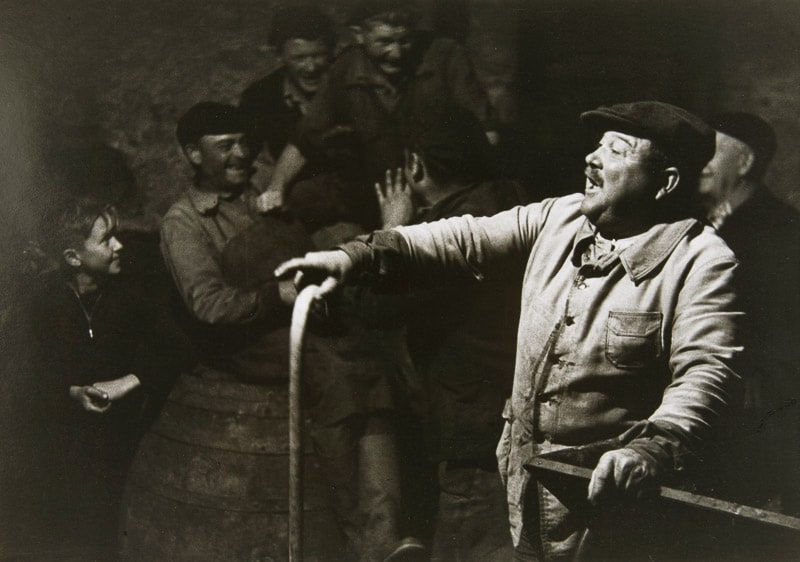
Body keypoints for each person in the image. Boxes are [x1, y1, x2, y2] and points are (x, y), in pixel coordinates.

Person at [275, 101, 744, 560]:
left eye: (617, 150)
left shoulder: (702, 260)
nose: (592, 158)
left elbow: (706, 372)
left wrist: (653, 447)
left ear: (665, 183)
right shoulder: (560, 219)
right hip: (523, 494)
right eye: (597, 146)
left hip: (611, 510)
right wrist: (354, 255)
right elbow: (462, 237)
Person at [160, 102, 420, 561]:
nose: (241, 154)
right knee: (334, 369)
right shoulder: (184, 222)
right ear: (193, 155)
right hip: (243, 340)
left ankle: (387, 529)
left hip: (300, 313)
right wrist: (273, 296)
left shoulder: (266, 188)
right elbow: (207, 305)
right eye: (225, 146)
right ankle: (364, 537)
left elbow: (316, 226)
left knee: (372, 358)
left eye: (244, 142)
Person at [373, 107, 525, 560]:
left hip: (471, 424)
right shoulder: (510, 203)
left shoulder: (443, 236)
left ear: (415, 166)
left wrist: (393, 233)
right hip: (512, 408)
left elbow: (376, 308)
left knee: (465, 542)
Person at [23, 195, 190, 558]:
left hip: (125, 442)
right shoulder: (43, 301)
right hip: (59, 446)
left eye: (117, 235)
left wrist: (129, 380)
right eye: (106, 240)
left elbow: (177, 347)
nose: (119, 246)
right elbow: (28, 371)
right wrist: (72, 391)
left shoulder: (134, 291)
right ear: (73, 258)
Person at [257, 0, 497, 230]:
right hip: (373, 191)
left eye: (404, 40)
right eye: (384, 41)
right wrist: (276, 189)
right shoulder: (345, 68)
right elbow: (305, 139)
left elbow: (487, 131)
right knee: (295, 202)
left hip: (443, 191)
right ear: (359, 35)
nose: (396, 53)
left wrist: (480, 190)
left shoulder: (445, 55)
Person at [698, 112, 800, 513]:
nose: (701, 164)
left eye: (712, 153)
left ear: (744, 163)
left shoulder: (781, 229)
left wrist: (757, 369)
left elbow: (784, 320)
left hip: (756, 400)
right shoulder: (704, 222)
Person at [239, 4, 336, 190]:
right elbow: (248, 162)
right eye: (299, 58)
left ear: (332, 51)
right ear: (279, 55)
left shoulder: (352, 86)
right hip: (290, 201)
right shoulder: (258, 98)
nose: (311, 67)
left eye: (318, 55)